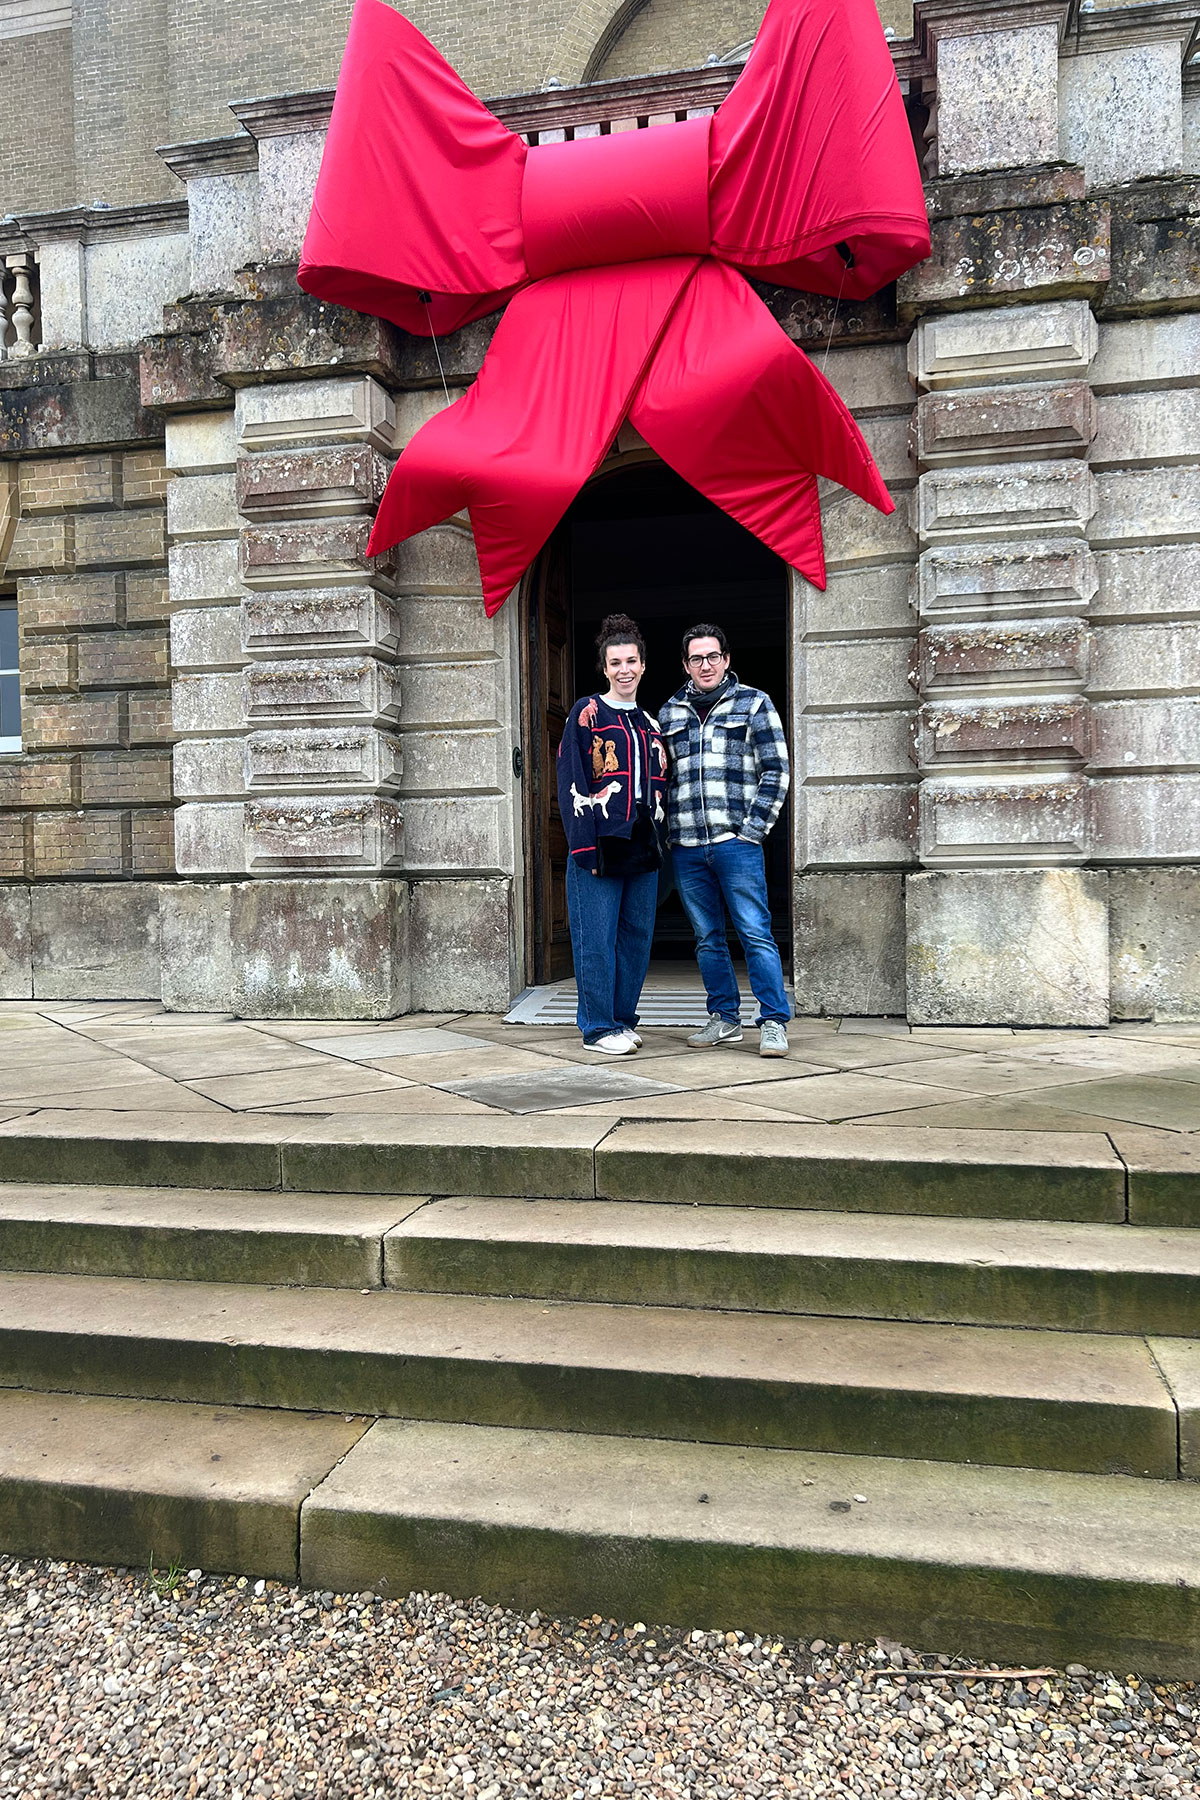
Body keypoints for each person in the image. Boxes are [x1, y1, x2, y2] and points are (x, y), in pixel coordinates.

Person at [659, 622, 792, 1057]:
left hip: (737, 844)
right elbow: (664, 780)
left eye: (713, 656)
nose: (705, 665)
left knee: (755, 932)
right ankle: (725, 1019)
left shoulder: (754, 703)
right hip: (688, 847)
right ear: (686, 665)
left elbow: (776, 770)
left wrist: (752, 830)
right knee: (706, 938)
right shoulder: (670, 713)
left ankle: (773, 1021)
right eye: (696, 658)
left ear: (726, 659)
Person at [556, 613, 668, 1054]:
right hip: (599, 844)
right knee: (595, 939)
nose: (624, 670)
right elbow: (572, 781)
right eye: (615, 662)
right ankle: (598, 1027)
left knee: (636, 938)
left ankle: (622, 1020)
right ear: (604, 668)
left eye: (632, 661)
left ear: (643, 666)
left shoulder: (651, 724)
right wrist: (584, 846)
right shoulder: (586, 714)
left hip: (643, 844)